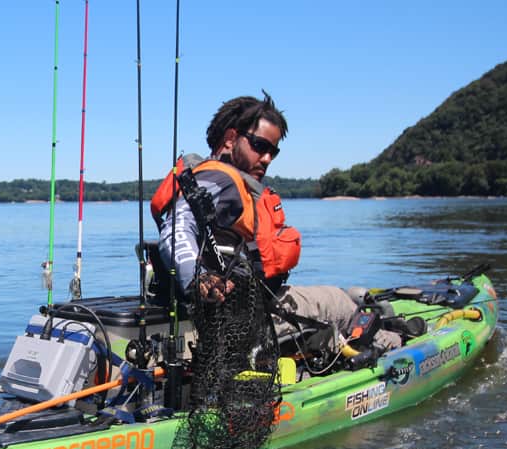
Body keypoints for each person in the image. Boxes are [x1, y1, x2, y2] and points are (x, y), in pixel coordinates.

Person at [150, 92, 402, 356]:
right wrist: (199, 277)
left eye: (273, 151)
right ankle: (399, 347)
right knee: (341, 304)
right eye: (260, 146)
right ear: (230, 139)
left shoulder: (199, 178)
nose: (267, 158)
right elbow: (177, 228)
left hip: (241, 308)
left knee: (339, 301)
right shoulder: (221, 180)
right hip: (244, 319)